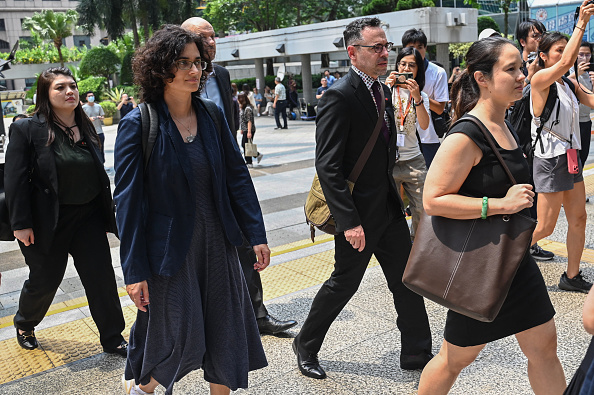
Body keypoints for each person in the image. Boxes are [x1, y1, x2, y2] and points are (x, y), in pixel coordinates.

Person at [115, 26, 270, 395]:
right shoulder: (139, 123)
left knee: (225, 332)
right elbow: (128, 204)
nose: (193, 70)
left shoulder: (213, 115)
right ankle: (142, 389)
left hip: (218, 245)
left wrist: (256, 235)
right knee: (174, 338)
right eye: (182, 62)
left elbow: (237, 178)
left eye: (197, 62)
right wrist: (134, 272)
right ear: (159, 68)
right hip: (171, 252)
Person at [419, 35, 566, 394]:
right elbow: (433, 200)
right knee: (456, 358)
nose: (522, 76)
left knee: (545, 347)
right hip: (481, 265)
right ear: (482, 78)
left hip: (513, 260)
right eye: (511, 69)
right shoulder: (466, 135)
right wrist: (498, 205)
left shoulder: (506, 123)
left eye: (522, 67)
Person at [293, 17, 433, 380]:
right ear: (353, 52)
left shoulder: (382, 91)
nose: (385, 53)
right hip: (357, 215)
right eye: (377, 47)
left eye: (386, 46)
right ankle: (305, 345)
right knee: (344, 284)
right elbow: (327, 166)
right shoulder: (340, 95)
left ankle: (417, 352)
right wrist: (349, 221)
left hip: (387, 208)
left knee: (406, 280)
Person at [181, 16, 298, 337]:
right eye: (203, 38)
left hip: (225, 175)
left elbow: (227, 126)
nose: (212, 43)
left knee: (247, 242)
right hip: (191, 182)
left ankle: (257, 315)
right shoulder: (171, 78)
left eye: (214, 36)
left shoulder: (220, 74)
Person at [4, 67, 127, 356]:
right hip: (47, 221)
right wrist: (20, 223)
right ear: (45, 94)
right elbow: (15, 179)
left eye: (72, 86)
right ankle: (25, 322)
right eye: (60, 87)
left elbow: (98, 175)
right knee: (45, 279)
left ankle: (113, 337)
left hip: (88, 218)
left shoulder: (86, 127)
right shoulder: (27, 129)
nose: (69, 91)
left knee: (101, 278)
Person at [529, 21, 594, 293]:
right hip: (550, 158)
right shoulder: (540, 80)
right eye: (559, 50)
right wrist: (582, 23)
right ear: (543, 56)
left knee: (579, 218)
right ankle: (496, 263)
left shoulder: (567, 83)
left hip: (570, 156)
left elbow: (592, 102)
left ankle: (572, 275)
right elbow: (568, 61)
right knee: (544, 227)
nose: (565, 54)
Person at [385, 46, 430, 239]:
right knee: (390, 212)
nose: (406, 68)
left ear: (418, 70)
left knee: (423, 208)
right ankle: (398, 247)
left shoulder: (421, 95)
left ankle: (416, 246)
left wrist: (418, 97)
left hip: (414, 160)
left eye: (411, 65)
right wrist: (384, 91)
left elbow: (425, 125)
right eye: (402, 64)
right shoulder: (384, 91)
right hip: (389, 162)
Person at [402, 28, 449, 168]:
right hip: (404, 138)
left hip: (428, 136)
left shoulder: (438, 72)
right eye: (411, 47)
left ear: (425, 48)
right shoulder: (400, 72)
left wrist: (418, 95)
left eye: (420, 47)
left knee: (428, 179)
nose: (416, 51)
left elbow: (440, 108)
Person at [569, 41, 594, 167]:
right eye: (581, 54)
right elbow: (561, 86)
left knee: (583, 158)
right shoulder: (567, 70)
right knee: (572, 162)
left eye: (588, 55)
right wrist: (576, 74)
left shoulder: (590, 74)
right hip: (570, 123)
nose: (585, 58)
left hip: (585, 121)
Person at [238, 92, 263, 167]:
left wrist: (249, 132)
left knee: (245, 144)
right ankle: (257, 155)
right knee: (245, 144)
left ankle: (249, 161)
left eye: (239, 98)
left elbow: (249, 121)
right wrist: (242, 129)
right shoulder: (243, 107)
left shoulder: (248, 108)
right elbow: (243, 119)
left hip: (249, 129)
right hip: (245, 129)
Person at [82, 91, 105, 164]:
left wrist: (100, 118)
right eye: (89, 96)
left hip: (99, 131)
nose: (91, 97)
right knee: (93, 150)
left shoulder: (98, 106)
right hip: (89, 132)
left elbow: (103, 117)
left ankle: (102, 164)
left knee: (101, 149)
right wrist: (89, 119)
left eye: (92, 96)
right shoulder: (83, 108)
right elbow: (82, 119)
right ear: (86, 98)